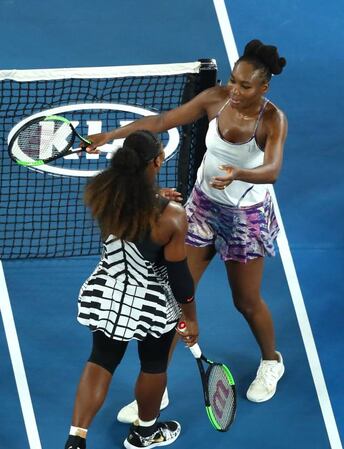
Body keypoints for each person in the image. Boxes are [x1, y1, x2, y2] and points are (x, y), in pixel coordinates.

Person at [84, 39, 288, 421]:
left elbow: (272, 169)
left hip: (246, 219)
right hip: (203, 209)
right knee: (175, 301)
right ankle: (155, 389)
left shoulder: (272, 120)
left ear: (264, 88)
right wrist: (111, 136)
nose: (236, 90)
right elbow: (162, 122)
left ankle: (271, 360)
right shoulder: (217, 98)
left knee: (245, 301)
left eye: (246, 86)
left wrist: (240, 173)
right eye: (234, 81)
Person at [64, 130, 199, 449]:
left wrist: (154, 197)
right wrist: (190, 318)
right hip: (150, 302)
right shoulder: (172, 217)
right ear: (158, 160)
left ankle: (76, 438)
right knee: (154, 365)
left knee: (101, 358)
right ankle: (144, 433)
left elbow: (133, 218)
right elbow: (180, 278)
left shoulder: (104, 194)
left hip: (106, 292)